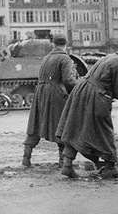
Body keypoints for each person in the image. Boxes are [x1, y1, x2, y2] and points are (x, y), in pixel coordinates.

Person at [56, 47, 118, 178]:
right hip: (96, 95)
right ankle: (110, 166)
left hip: (82, 90)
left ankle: (67, 165)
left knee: (76, 128)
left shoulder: (112, 57)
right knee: (104, 130)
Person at [22, 33, 78, 168]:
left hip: (40, 92)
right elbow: (68, 80)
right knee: (62, 124)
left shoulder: (47, 57)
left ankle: (26, 158)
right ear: (66, 44)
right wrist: (79, 86)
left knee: (35, 125)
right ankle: (62, 161)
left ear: (53, 44)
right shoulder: (65, 58)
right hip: (56, 93)